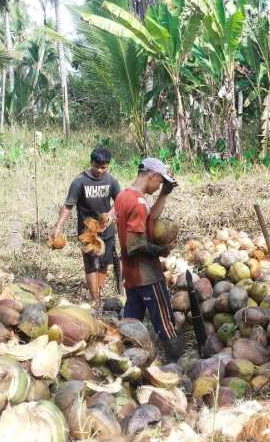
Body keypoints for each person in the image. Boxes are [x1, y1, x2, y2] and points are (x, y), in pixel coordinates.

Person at [114, 157, 183, 360]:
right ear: (151, 175)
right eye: (159, 182)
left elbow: (148, 220)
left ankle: (124, 360)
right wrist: (161, 250)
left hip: (131, 274)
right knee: (165, 323)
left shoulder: (123, 196)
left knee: (130, 323)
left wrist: (164, 194)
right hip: (147, 275)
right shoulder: (138, 203)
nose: (158, 186)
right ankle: (177, 365)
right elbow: (134, 245)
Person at [52, 147, 122, 310]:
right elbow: (68, 206)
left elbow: (120, 201)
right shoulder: (79, 182)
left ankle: (99, 291)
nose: (99, 170)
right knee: (91, 264)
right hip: (87, 232)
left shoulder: (111, 181)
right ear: (91, 163)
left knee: (104, 263)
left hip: (107, 230)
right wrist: (58, 228)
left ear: (108, 166)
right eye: (96, 166)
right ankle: (95, 299)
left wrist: (111, 215)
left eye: (103, 167)